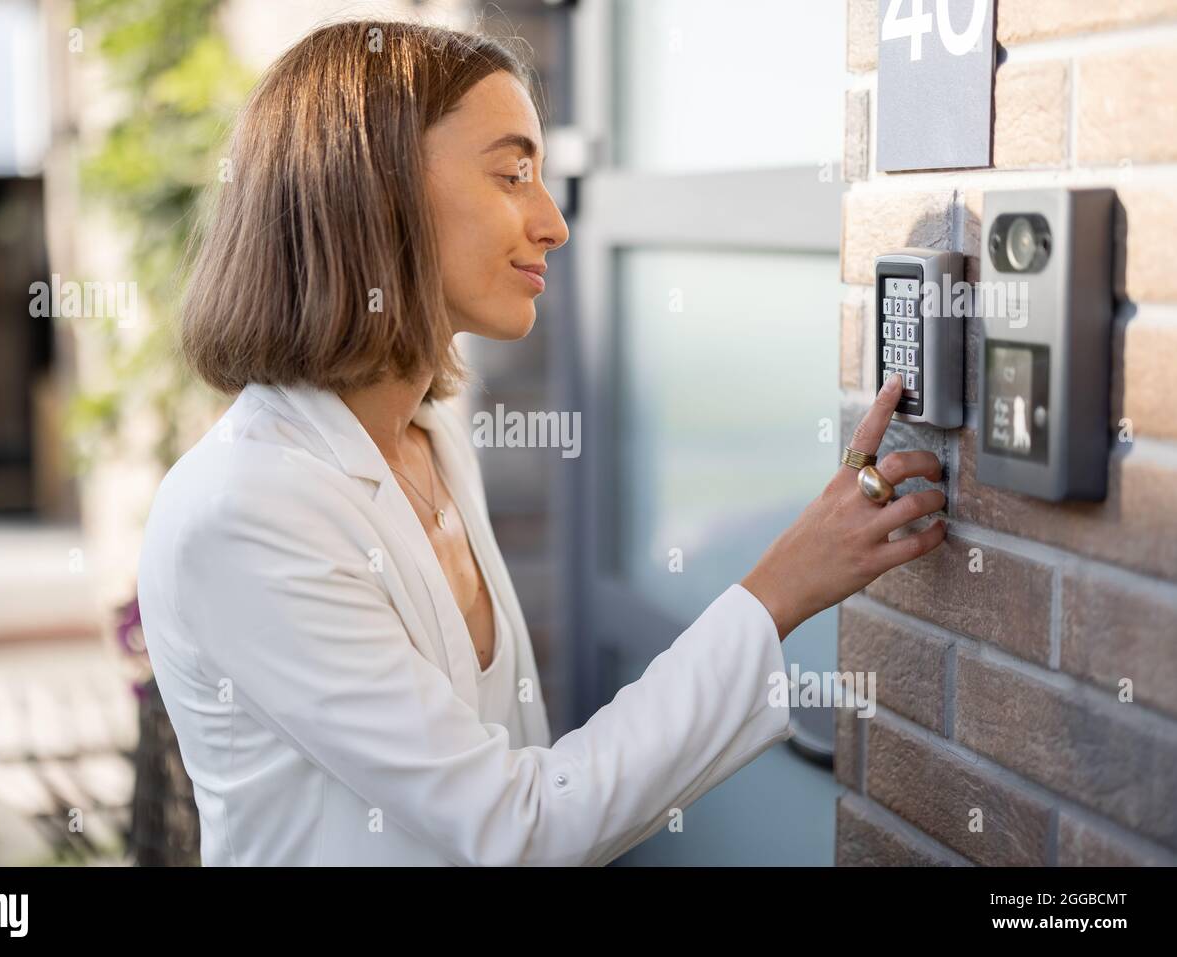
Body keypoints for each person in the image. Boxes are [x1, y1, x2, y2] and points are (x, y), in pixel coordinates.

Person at [136, 19, 946, 866]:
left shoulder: (430, 441)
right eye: (513, 174)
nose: (554, 223)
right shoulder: (245, 512)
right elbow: (519, 824)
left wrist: (796, 529)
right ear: (375, 195)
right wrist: (780, 588)